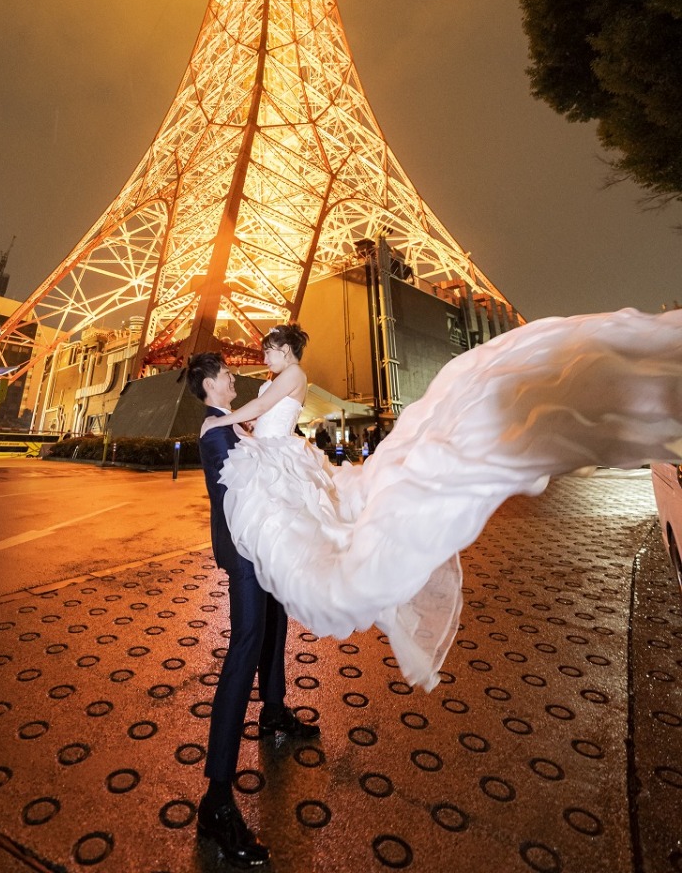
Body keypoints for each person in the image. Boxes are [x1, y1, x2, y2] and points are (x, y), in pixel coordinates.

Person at [199, 309, 682, 690]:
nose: (265, 356)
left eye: (270, 349)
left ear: (286, 350)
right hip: (275, 459)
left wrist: (223, 419)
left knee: (310, 537)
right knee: (296, 541)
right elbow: (261, 417)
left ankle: (285, 649)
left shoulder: (291, 377)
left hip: (280, 461)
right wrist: (237, 425)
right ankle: (275, 684)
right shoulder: (275, 380)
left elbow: (264, 409)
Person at [186, 352, 318, 869]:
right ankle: (216, 798)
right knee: (243, 650)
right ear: (209, 386)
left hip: (262, 549)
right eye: (225, 374)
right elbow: (238, 499)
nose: (234, 376)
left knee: (278, 622)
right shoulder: (215, 430)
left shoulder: (231, 426)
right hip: (245, 557)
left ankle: (274, 709)